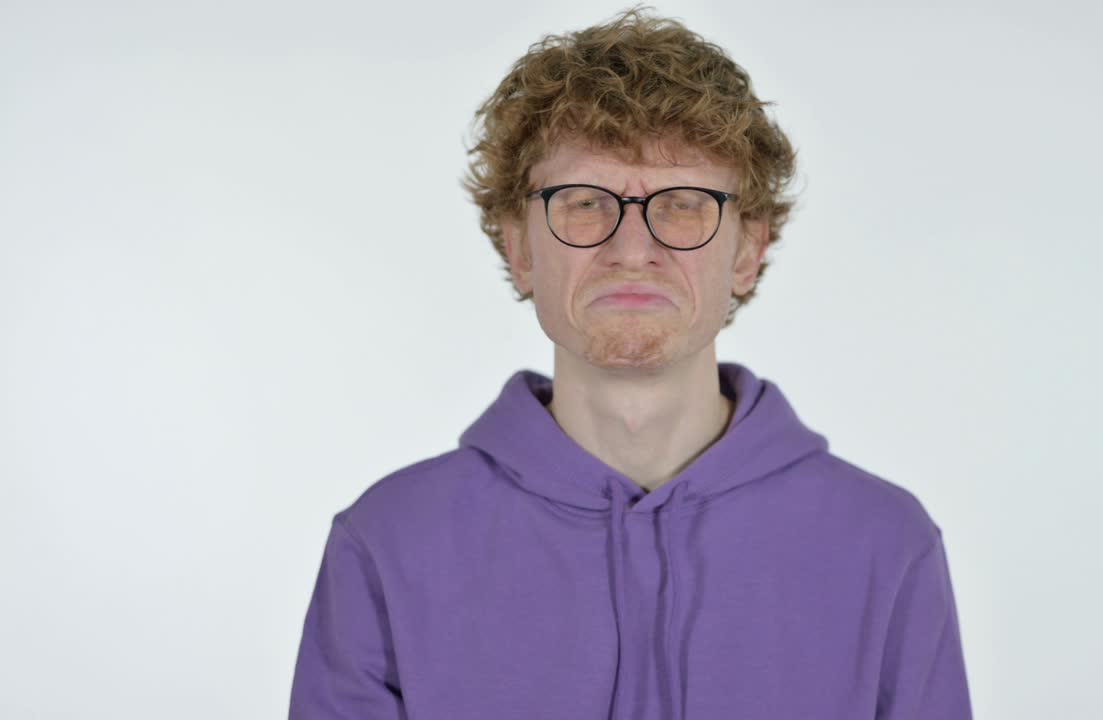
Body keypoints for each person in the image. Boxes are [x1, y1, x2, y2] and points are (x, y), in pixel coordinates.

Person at [288, 9, 972, 720]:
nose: (633, 249)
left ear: (747, 250)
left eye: (681, 205)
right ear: (519, 247)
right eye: (585, 204)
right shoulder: (389, 543)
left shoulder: (885, 545)